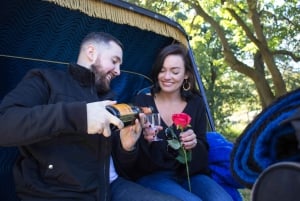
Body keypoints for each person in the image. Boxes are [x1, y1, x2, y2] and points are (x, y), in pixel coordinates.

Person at [0, 32, 182, 201]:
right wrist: (81, 116)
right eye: (114, 60)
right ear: (91, 52)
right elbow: (5, 124)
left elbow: (122, 165)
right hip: (59, 193)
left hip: (112, 187)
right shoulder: (45, 80)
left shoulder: (110, 100)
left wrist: (127, 147)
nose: (118, 71)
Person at [112, 44, 234, 201]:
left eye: (175, 71)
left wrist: (194, 144)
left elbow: (203, 156)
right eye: (162, 70)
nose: (167, 76)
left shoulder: (196, 103)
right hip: (154, 176)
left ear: (186, 75)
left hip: (191, 175)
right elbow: (134, 161)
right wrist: (146, 142)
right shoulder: (142, 101)